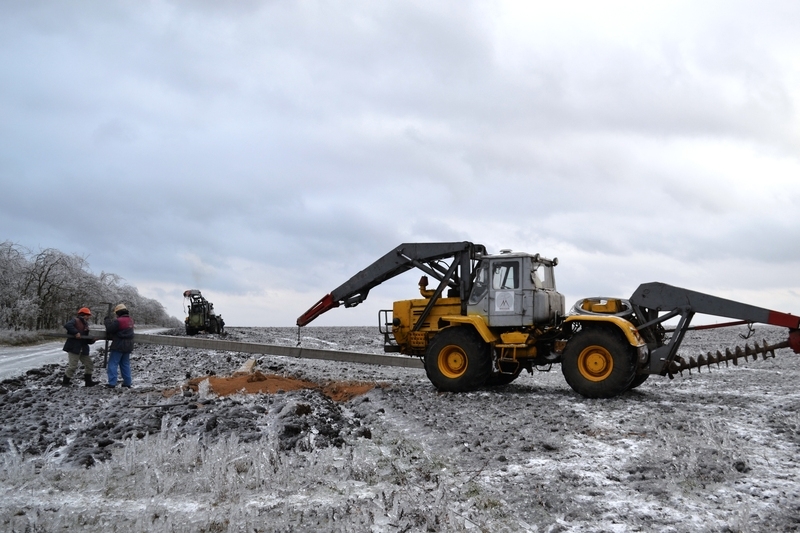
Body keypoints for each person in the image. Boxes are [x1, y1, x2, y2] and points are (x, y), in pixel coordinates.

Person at [62, 307, 99, 387]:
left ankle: (88, 382)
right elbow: (67, 325)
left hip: (83, 348)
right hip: (74, 347)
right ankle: (65, 382)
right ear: (83, 315)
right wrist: (76, 333)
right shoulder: (75, 321)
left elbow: (86, 339)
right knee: (72, 366)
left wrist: (92, 340)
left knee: (89, 364)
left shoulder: (86, 324)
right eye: (87, 315)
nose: (88, 317)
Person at [104, 303, 135, 388]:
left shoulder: (119, 321)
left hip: (118, 345)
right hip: (128, 345)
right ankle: (127, 382)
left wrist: (106, 321)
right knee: (125, 364)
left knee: (113, 363)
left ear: (118, 312)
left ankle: (112, 383)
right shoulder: (130, 320)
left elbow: (110, 329)